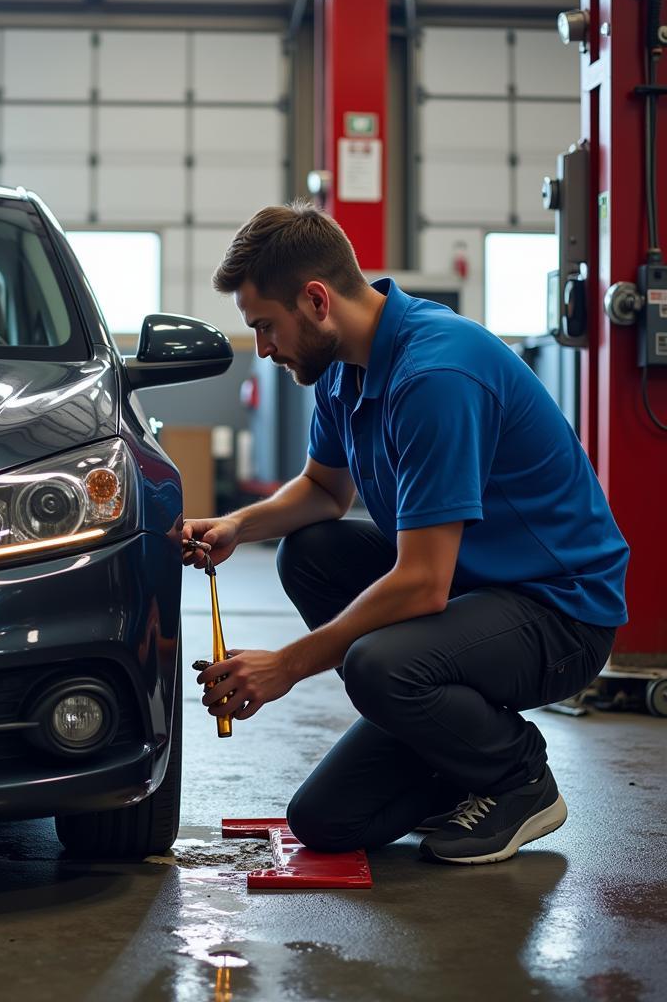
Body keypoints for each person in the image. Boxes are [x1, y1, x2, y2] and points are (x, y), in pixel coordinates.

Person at [183, 202, 629, 865]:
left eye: (266, 328)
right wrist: (236, 526)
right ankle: (446, 737)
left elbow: (422, 584)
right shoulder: (341, 369)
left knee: (376, 663)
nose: (266, 349)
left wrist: (288, 664)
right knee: (326, 819)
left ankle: (518, 776)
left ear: (315, 300)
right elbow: (325, 491)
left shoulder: (437, 375)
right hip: (472, 593)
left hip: (558, 613)